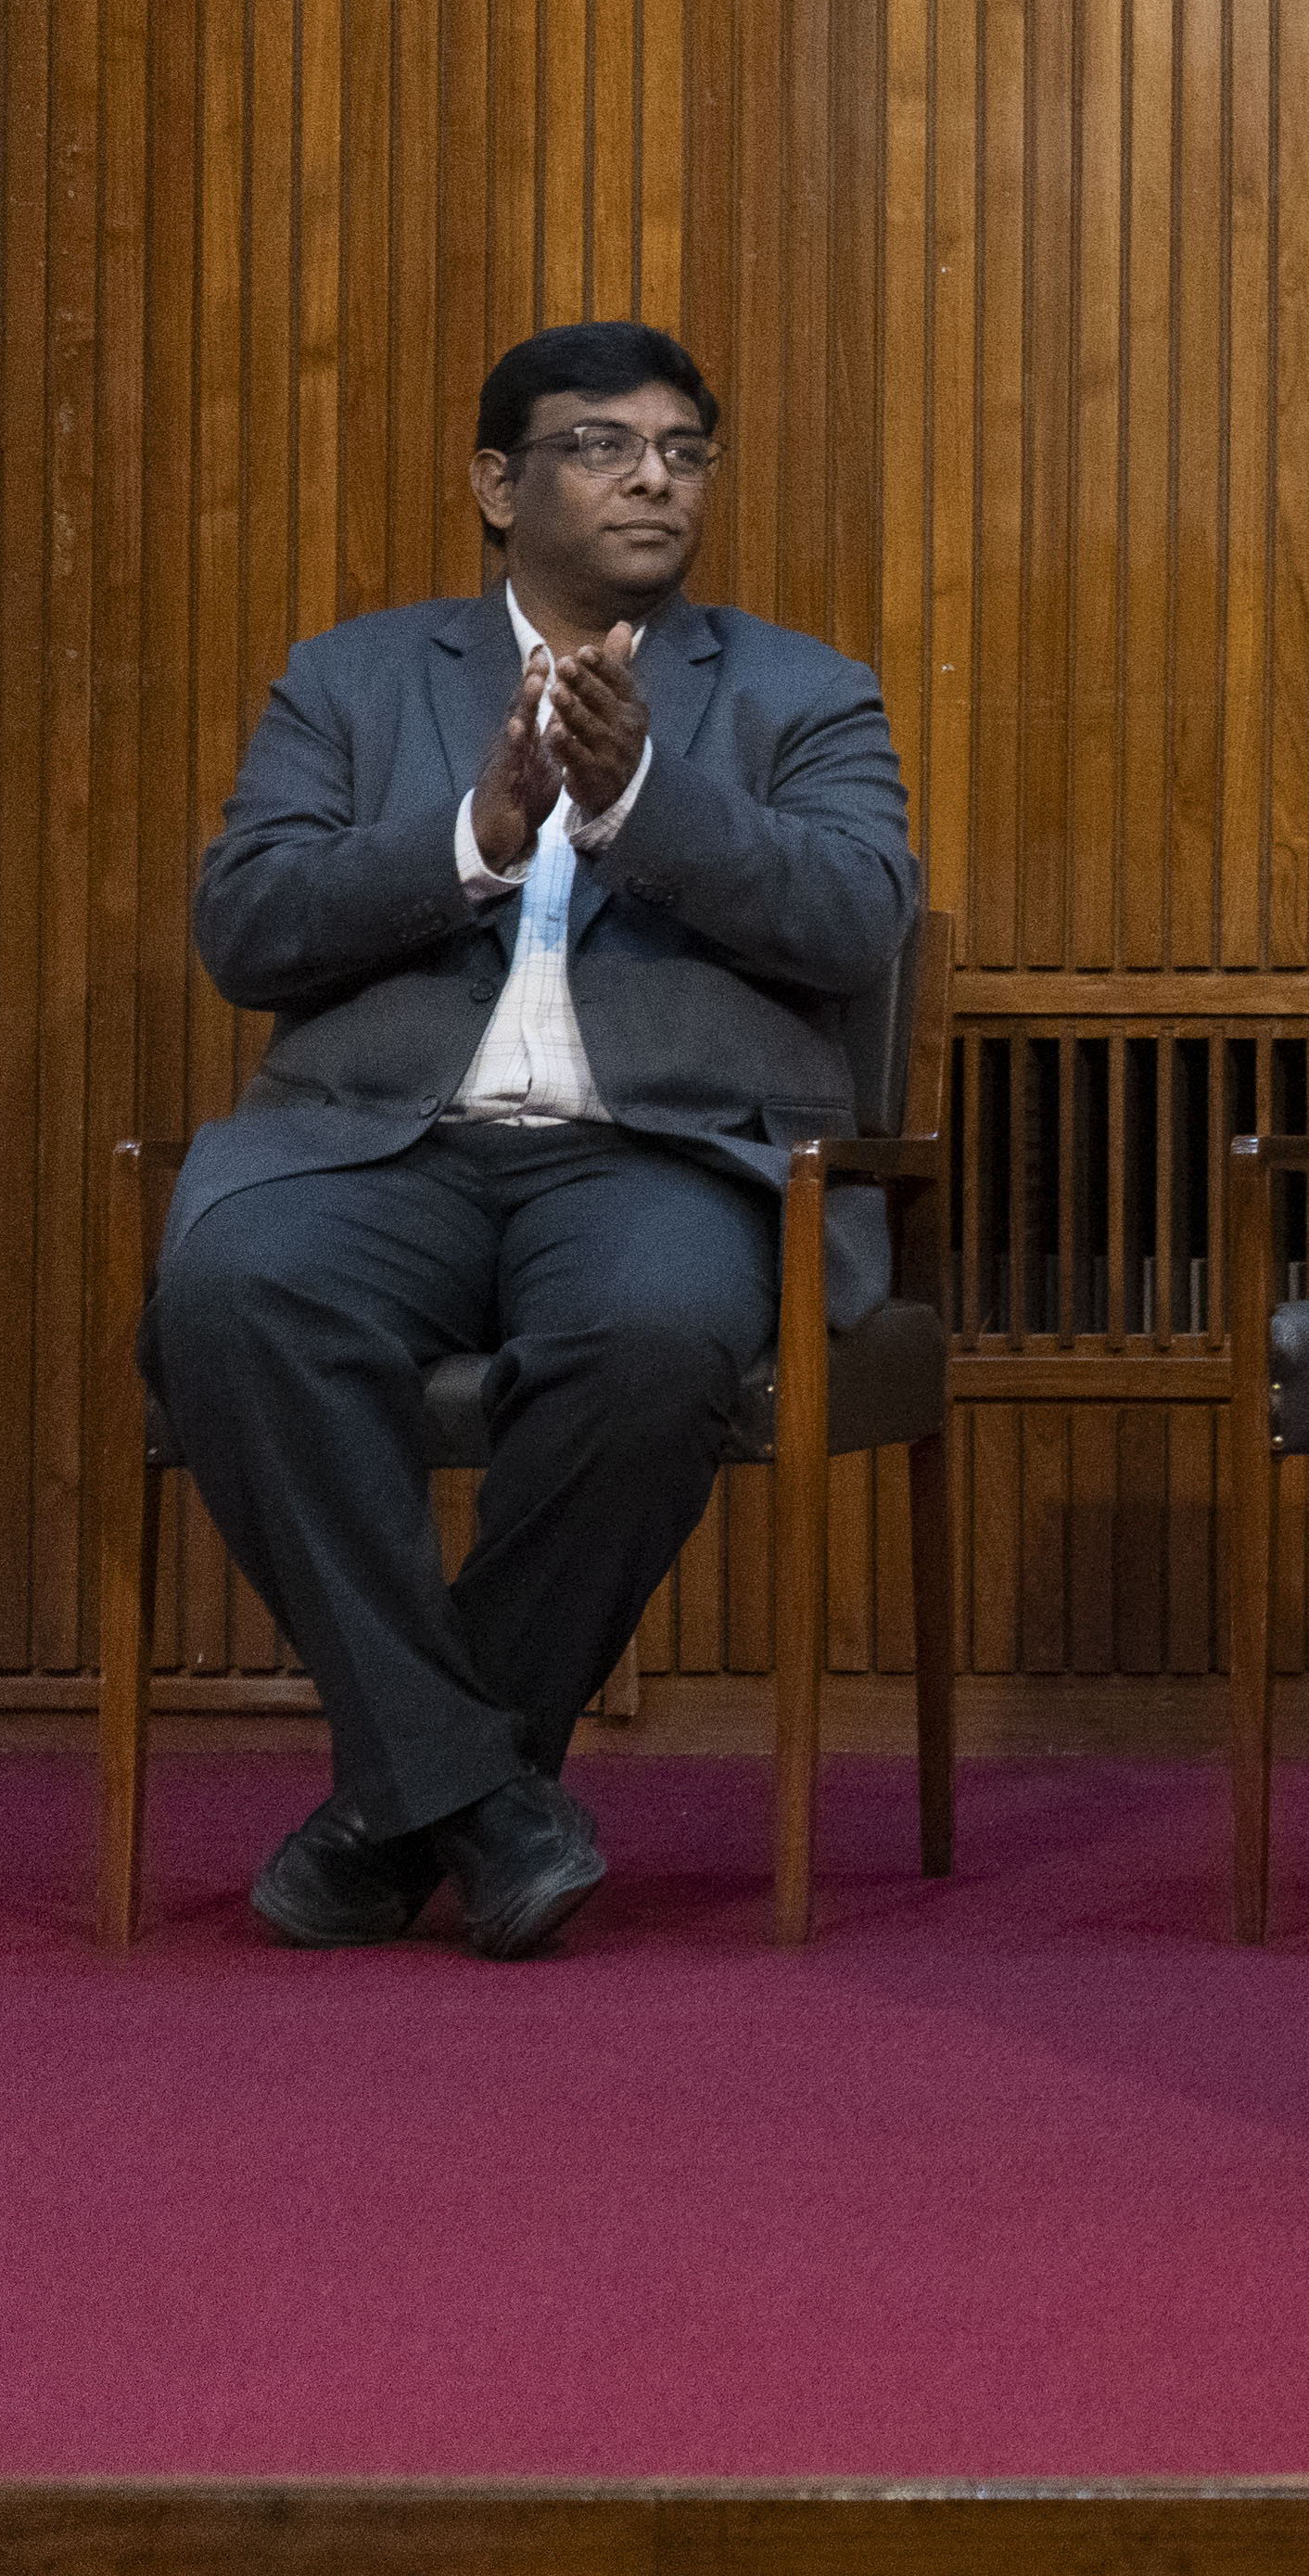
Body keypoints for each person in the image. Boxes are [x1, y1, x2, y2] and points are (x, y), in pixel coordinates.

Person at [151, 323, 921, 1959]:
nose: (655, 476)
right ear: (498, 483)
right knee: (232, 1289)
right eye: (603, 445)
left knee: (655, 1340)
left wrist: (646, 804)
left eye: (685, 449)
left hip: (661, 1159)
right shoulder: (353, 681)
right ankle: (480, 1801)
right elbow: (246, 925)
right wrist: (469, 840)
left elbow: (859, 920)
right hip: (381, 1150)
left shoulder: (797, 692)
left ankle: (399, 1806)